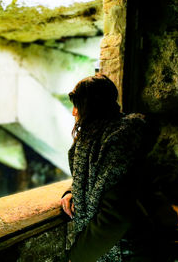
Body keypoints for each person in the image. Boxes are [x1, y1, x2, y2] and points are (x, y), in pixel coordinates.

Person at [60, 74, 149, 262]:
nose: (74, 112)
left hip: (127, 249)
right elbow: (94, 180)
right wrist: (72, 191)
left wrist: (76, 257)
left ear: (91, 106)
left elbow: (115, 213)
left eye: (78, 105)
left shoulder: (120, 139)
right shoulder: (93, 136)